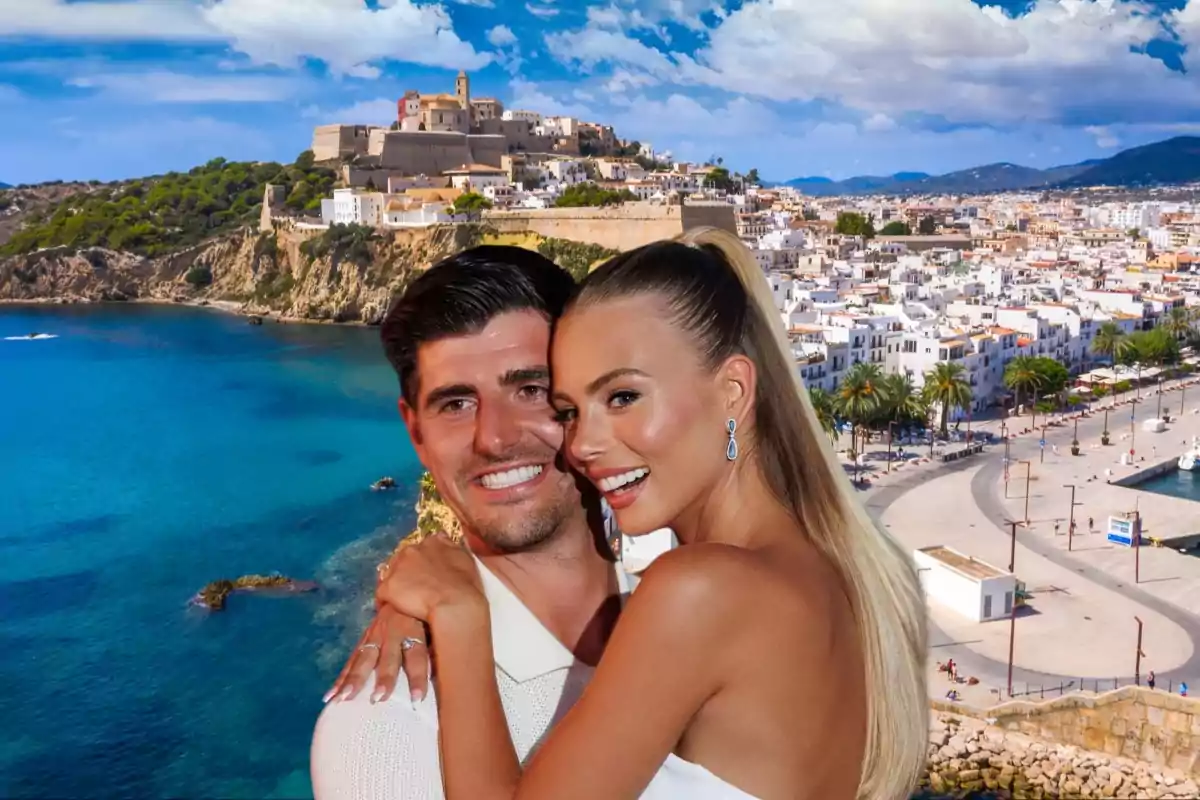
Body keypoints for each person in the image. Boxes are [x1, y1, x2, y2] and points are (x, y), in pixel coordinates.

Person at [372, 228, 928, 799]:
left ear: (733, 390)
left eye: (623, 398)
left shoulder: (697, 593)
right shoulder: (850, 573)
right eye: (568, 410)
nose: (584, 443)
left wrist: (459, 613)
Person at [310, 246, 638, 799]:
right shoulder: (383, 729)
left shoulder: (706, 590)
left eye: (531, 390)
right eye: (456, 404)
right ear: (414, 431)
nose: (496, 438)